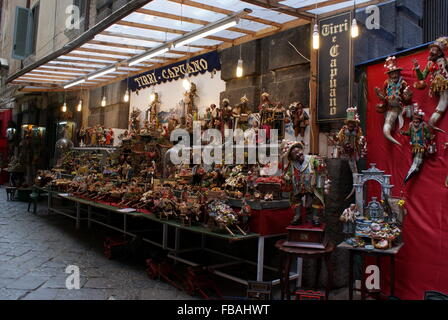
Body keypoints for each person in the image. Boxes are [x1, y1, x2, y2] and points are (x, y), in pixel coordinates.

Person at [282, 141, 329, 226]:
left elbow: (320, 168)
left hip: (312, 185)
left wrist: (321, 164)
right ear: (291, 157)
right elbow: (288, 173)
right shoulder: (292, 164)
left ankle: (315, 217)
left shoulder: (312, 159)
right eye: (294, 154)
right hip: (298, 186)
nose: (298, 154)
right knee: (294, 197)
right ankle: (297, 216)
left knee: (317, 196)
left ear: (301, 149)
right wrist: (287, 177)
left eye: (298, 151)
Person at [374, 56, 412, 146]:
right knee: (386, 127)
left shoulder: (403, 83)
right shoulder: (386, 83)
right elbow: (383, 96)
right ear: (389, 75)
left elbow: (407, 99)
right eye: (392, 74)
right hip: (391, 107)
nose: (394, 75)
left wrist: (408, 95)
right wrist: (379, 94)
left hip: (400, 107)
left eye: (395, 73)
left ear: (398, 73)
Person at [413, 37, 448, 130]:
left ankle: (432, 121)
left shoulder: (445, 60)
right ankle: (432, 121)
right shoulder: (429, 64)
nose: (431, 52)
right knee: (443, 102)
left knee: (443, 102)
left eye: (434, 50)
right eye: (431, 49)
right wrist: (417, 68)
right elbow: (422, 77)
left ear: (440, 52)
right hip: (438, 87)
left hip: (445, 83)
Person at [400, 108, 435, 184]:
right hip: (413, 146)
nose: (415, 122)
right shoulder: (411, 125)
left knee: (417, 162)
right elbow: (409, 133)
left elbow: (428, 135)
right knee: (414, 161)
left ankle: (412, 172)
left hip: (421, 146)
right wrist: (404, 133)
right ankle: (412, 172)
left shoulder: (424, 126)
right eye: (414, 121)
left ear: (420, 121)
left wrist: (430, 137)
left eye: (417, 121)